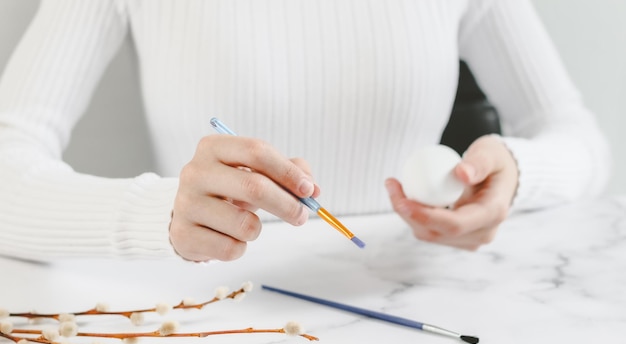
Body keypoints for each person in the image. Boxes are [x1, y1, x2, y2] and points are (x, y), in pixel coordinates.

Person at [0, 0, 611, 262]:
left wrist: (517, 176)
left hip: (415, 299)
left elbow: (577, 135)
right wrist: (163, 215)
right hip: (216, 316)